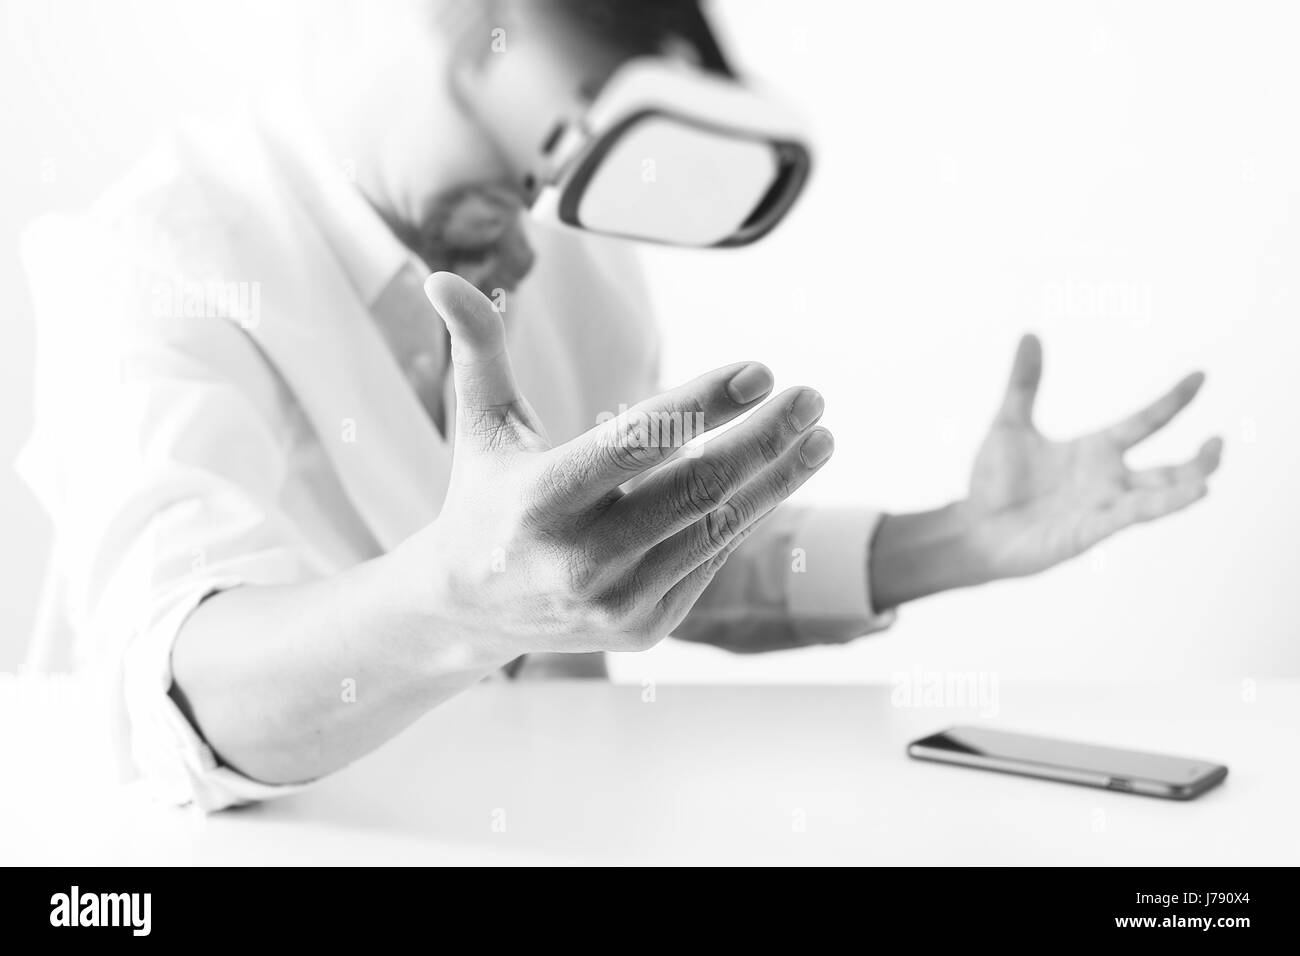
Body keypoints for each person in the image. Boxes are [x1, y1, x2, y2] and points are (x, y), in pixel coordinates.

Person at [19, 0, 1221, 811]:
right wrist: (463, 598)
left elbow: (628, 550)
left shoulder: (575, 261)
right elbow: (173, 683)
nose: (553, 192)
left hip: (562, 821)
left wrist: (951, 540)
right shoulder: (152, 255)